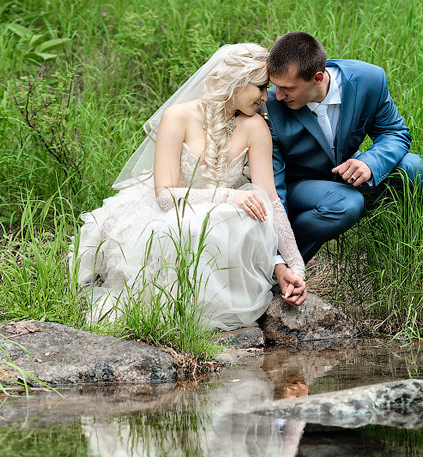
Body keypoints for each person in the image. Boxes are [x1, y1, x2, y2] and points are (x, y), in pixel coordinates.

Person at [75, 44, 308, 331]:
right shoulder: (178, 117)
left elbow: (271, 199)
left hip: (223, 217)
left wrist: (296, 267)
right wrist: (228, 194)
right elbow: (164, 197)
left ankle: (217, 306)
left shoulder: (254, 126)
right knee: (186, 226)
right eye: (260, 87)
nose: (264, 97)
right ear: (235, 81)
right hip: (173, 208)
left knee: (247, 219)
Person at [262, 31, 423, 300]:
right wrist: (278, 257)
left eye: (287, 89)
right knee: (346, 204)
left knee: (414, 167)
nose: (278, 95)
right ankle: (281, 273)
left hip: (349, 174)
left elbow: (395, 133)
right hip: (300, 185)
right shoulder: (272, 107)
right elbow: (274, 189)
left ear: (318, 78)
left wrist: (370, 163)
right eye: (276, 86)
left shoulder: (368, 80)